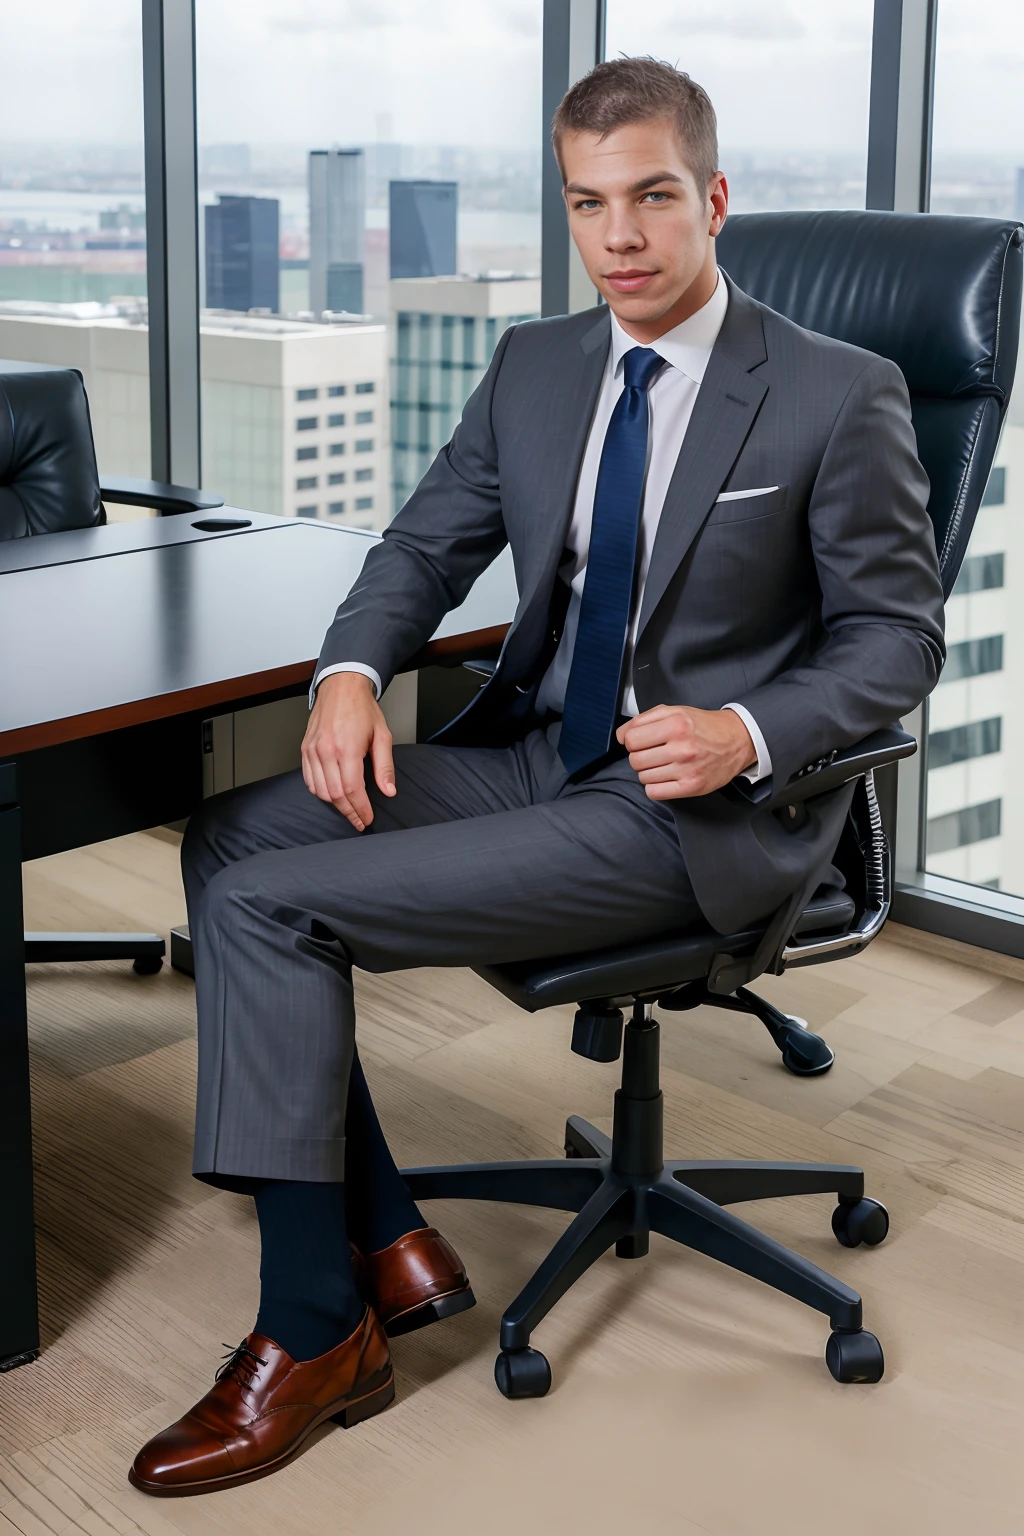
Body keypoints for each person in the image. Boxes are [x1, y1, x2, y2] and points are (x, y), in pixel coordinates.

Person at [130, 57, 944, 1495]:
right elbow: (420, 550)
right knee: (233, 839)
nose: (619, 238)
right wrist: (346, 675)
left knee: (266, 914)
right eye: (588, 204)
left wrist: (744, 734)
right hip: (531, 761)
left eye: (652, 199)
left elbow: (894, 639)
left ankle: (314, 1328)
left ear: (715, 201)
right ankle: (384, 1230)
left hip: (694, 814)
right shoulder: (540, 367)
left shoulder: (838, 393)